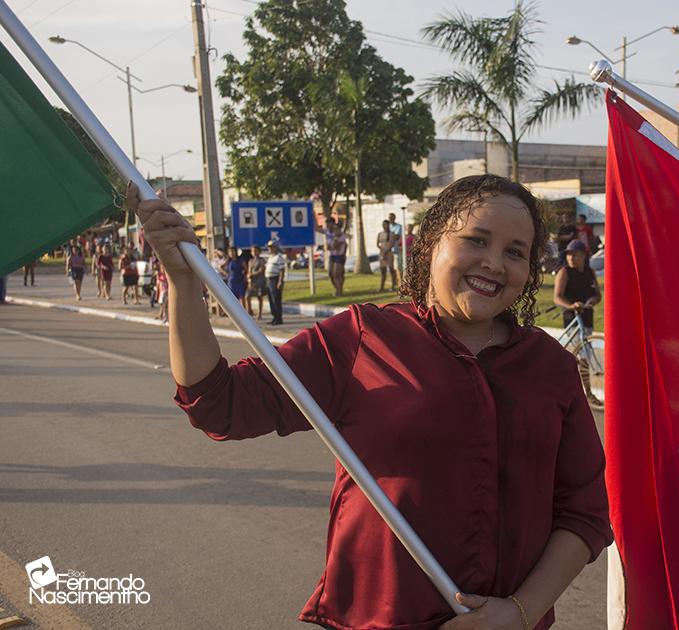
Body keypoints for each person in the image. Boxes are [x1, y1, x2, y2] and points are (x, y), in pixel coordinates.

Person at [129, 174, 611, 630]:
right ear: (431, 243)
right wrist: (185, 282)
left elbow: (585, 511)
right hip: (379, 618)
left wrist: (520, 613)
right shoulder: (362, 338)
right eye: (476, 240)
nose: (494, 263)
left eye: (515, 252)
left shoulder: (552, 368)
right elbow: (220, 404)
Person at [552, 239, 603, 409]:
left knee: (581, 356)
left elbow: (598, 294)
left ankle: (570, 390)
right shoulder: (564, 272)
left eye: (575, 254)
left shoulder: (590, 272)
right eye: (569, 254)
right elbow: (557, 296)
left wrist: (592, 300)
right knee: (583, 358)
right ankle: (588, 394)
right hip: (572, 319)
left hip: (587, 318)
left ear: (584, 256)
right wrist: (571, 305)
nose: (571, 257)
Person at [264, 240, 286, 325]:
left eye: (271, 247)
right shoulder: (270, 257)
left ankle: (278, 318)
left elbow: (282, 270)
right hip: (269, 280)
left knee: (276, 299)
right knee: (271, 299)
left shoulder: (278, 257)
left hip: (275, 279)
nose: (269, 249)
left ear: (275, 248)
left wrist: (280, 281)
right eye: (269, 247)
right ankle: (274, 317)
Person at [376, 219, 397, 291]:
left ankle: (393, 286)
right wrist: (382, 250)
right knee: (383, 270)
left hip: (389, 253)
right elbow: (377, 244)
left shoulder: (391, 234)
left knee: (391, 269)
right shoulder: (380, 234)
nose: (384, 226)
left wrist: (386, 251)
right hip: (382, 253)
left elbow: (392, 244)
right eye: (383, 224)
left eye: (386, 224)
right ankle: (381, 287)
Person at [247, 245, 267, 320]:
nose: (254, 252)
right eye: (253, 251)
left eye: (256, 251)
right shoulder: (250, 261)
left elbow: (261, 270)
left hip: (260, 280)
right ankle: (249, 311)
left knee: (259, 297)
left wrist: (252, 274)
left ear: (259, 252)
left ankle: (260, 313)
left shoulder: (262, 260)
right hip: (252, 280)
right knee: (247, 296)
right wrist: (249, 276)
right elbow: (249, 270)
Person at [328, 223, 348, 297]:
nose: (335, 231)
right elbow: (328, 247)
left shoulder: (341, 237)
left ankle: (340, 292)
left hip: (339, 256)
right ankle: (337, 289)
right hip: (332, 256)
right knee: (331, 274)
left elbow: (335, 246)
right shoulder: (333, 237)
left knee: (337, 274)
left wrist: (333, 242)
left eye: (336, 229)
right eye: (334, 229)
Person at [388, 211, 404, 281]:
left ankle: (400, 282)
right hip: (388, 250)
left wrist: (390, 236)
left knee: (398, 267)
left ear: (394, 218)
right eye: (389, 218)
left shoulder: (399, 226)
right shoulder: (388, 227)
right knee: (391, 268)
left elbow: (397, 236)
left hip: (396, 250)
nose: (390, 219)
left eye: (391, 217)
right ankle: (394, 282)